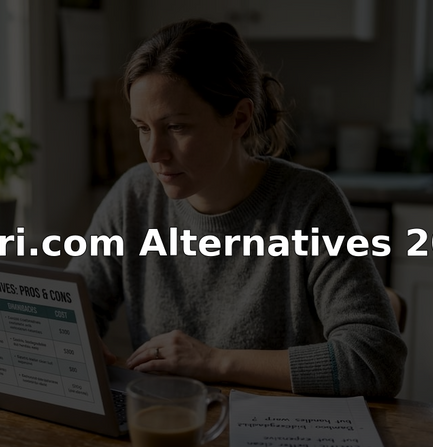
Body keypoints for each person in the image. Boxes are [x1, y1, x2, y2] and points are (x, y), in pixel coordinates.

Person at [66, 19, 406, 398]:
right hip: (174, 431)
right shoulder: (134, 196)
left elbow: (376, 360)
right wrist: (70, 336)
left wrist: (215, 362)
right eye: (143, 128)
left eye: (176, 127)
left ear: (239, 119)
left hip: (282, 435)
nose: (154, 153)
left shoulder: (310, 203)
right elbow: (73, 309)